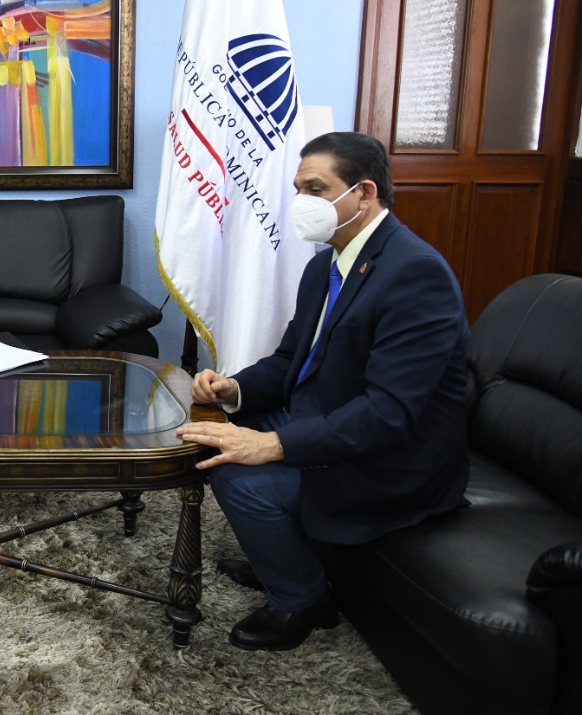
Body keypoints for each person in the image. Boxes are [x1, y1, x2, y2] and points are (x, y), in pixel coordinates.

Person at [175, 131, 469, 651]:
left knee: (241, 478)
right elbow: (291, 360)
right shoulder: (324, 265)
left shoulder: (415, 273)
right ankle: (279, 555)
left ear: (364, 193)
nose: (301, 202)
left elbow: (388, 413)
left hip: (394, 459)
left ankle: (304, 598)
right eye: (298, 190)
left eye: (315, 189)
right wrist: (233, 389)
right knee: (214, 435)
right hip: (329, 418)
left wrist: (273, 445)